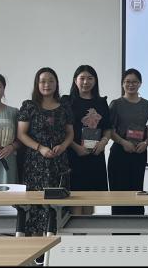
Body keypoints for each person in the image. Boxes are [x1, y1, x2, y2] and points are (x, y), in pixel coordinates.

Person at [17, 67, 74, 235]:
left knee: (57, 205)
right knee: (36, 205)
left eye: (51, 81)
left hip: (59, 161)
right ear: (37, 84)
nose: (47, 85)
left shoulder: (65, 107)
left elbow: (70, 133)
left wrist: (63, 146)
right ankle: (37, 247)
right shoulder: (29, 106)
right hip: (35, 163)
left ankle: (57, 244)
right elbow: (21, 134)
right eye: (43, 81)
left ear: (56, 84)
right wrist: (40, 148)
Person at [62, 65, 113, 215]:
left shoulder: (101, 102)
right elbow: (60, 129)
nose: (86, 82)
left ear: (95, 81)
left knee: (91, 200)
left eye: (90, 78)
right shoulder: (66, 101)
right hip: (73, 155)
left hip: (95, 156)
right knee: (75, 200)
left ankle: (87, 230)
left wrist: (103, 142)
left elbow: (108, 128)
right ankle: (76, 230)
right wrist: (75, 146)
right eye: (82, 78)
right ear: (75, 80)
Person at [107, 68, 148, 215]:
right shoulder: (116, 104)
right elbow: (109, 130)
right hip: (119, 153)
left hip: (139, 152)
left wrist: (146, 143)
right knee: (119, 194)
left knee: (137, 192)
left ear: (140, 84)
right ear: (122, 84)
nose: (131, 85)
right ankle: (119, 227)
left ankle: (137, 228)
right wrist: (123, 142)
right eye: (127, 82)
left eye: (134, 82)